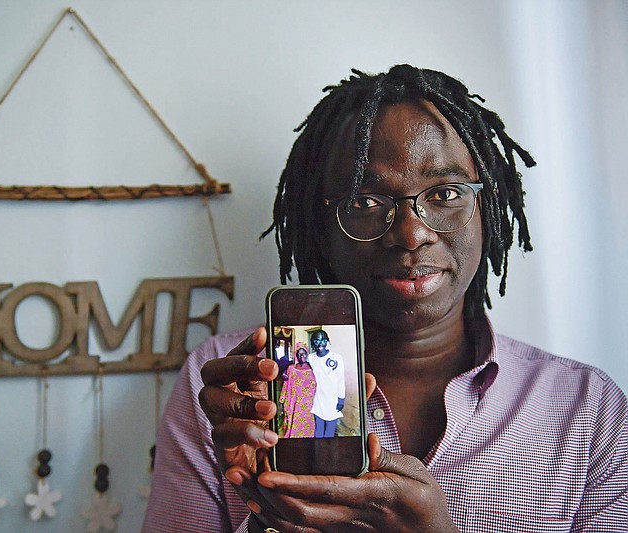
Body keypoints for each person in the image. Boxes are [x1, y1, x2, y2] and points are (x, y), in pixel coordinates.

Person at [142, 65, 628, 532]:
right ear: (321, 226)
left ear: (488, 207)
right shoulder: (232, 383)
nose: (412, 233)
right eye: (365, 202)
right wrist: (271, 517)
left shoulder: (587, 408)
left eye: (445, 193)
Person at [306, 329, 345, 438]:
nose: (320, 343)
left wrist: (341, 399)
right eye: (316, 340)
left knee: (329, 432)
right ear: (313, 342)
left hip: (332, 400)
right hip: (318, 399)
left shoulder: (336, 358)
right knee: (318, 431)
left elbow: (340, 380)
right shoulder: (311, 358)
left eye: (323, 340)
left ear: (327, 341)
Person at [277, 342, 316, 438]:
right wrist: (282, 401)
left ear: (307, 354)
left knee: (307, 429)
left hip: (308, 406)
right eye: (298, 354)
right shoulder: (291, 369)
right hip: (293, 404)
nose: (301, 356)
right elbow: (286, 386)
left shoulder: (314, 369)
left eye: (303, 353)